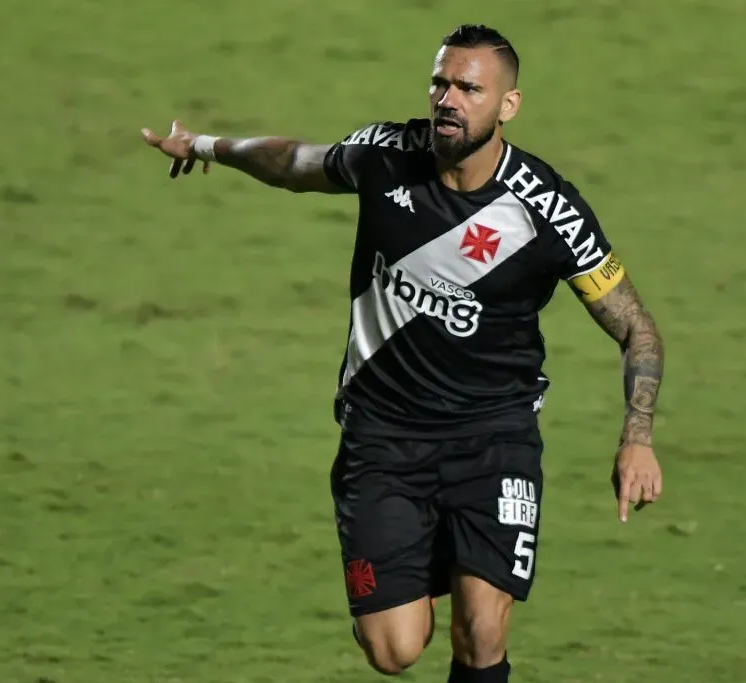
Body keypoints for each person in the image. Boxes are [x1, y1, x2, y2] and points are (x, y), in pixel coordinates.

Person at [141, 23, 664, 683]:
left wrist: (637, 436)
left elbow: (637, 328)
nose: (448, 99)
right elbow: (293, 162)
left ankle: (474, 558)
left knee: (482, 628)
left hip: (491, 437)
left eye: (469, 88)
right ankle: (447, 552)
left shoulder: (547, 210)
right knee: (394, 648)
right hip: (383, 438)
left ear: (508, 105)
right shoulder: (387, 153)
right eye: (440, 82)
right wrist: (209, 145)